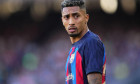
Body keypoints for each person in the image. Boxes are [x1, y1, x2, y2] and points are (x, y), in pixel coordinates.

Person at [61, 0, 106, 84]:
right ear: (62, 20)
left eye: (76, 16)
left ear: (86, 18)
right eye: (67, 17)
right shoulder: (75, 48)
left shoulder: (91, 42)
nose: (71, 22)